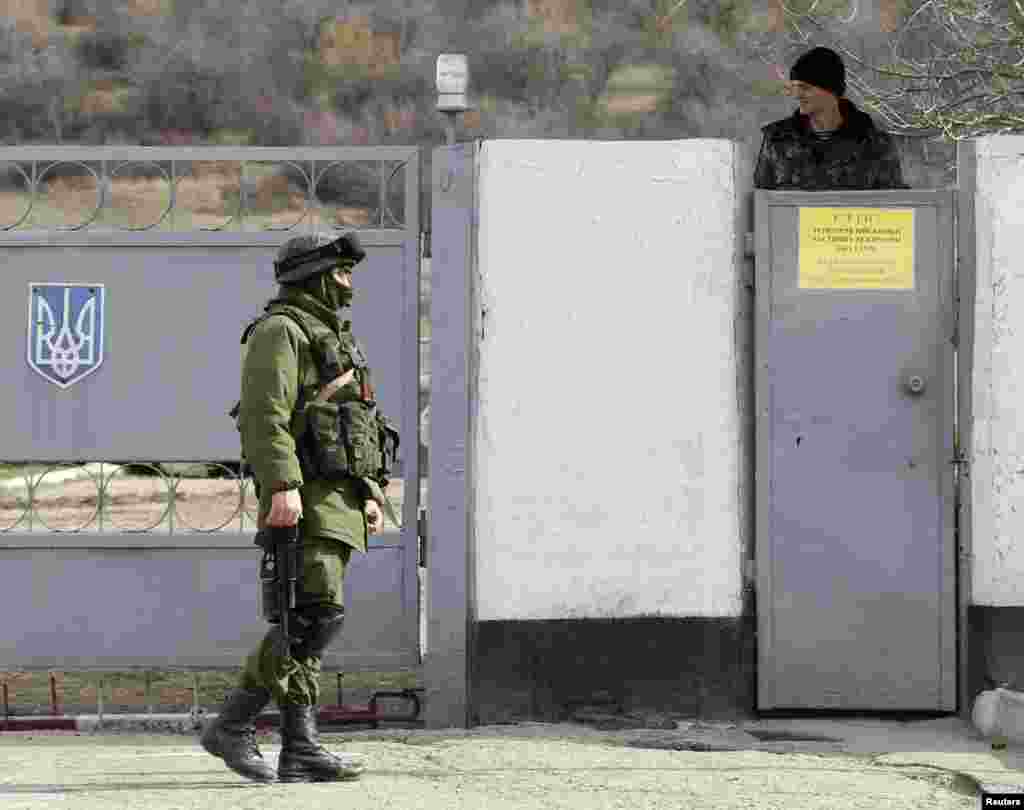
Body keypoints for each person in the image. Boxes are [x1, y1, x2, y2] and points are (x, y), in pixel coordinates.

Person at [201, 231, 393, 783]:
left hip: (337, 498)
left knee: (314, 620)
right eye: (341, 272)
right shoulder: (279, 331)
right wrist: (282, 484)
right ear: (313, 273)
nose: (348, 284)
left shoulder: (333, 336)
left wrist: (369, 491)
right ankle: (233, 725)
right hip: (305, 494)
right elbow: (265, 416)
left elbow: (359, 425)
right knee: (309, 615)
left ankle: (300, 747)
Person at [754, 46, 909, 190]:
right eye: (795, 88)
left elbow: (894, 206)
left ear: (831, 91)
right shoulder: (777, 141)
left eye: (805, 88)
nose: (797, 95)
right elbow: (761, 205)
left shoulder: (876, 145)